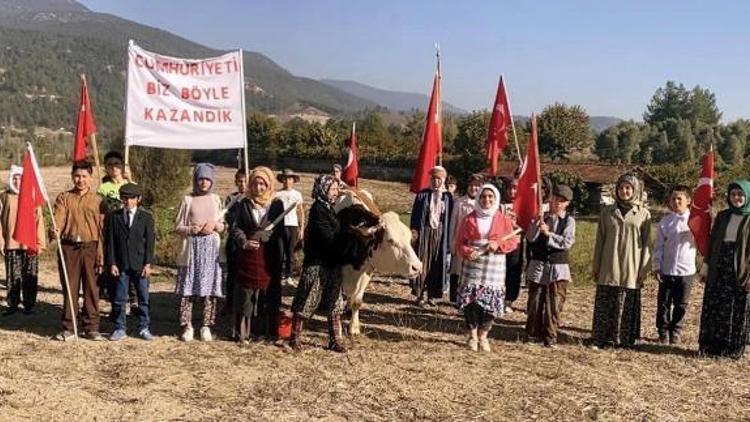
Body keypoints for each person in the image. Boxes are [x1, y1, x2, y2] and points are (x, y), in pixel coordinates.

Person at [455, 184, 519, 352]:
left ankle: (483, 335)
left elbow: (512, 242)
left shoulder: (503, 220)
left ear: (496, 198)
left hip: (494, 265)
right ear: (478, 198)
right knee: (472, 301)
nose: (487, 200)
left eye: (490, 196)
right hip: (473, 264)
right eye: (483, 197)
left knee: (490, 302)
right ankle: (473, 335)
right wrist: (468, 252)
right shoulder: (468, 219)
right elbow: (459, 242)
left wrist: (497, 244)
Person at [591, 173, 651, 349]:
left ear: (635, 190)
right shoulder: (607, 212)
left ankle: (624, 340)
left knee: (626, 302)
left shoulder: (643, 214)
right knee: (606, 301)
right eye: (621, 188)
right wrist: (596, 266)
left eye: (628, 188)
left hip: (631, 266)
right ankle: (602, 338)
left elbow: (647, 243)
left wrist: (644, 269)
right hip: (609, 264)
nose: (624, 191)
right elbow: (599, 240)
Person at [288, 174, 347, 353]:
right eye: (332, 189)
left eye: (337, 189)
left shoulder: (330, 209)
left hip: (333, 264)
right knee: (307, 301)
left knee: (334, 303)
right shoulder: (317, 210)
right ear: (323, 189)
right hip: (317, 264)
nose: (336, 192)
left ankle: (334, 339)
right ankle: (294, 338)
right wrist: (345, 244)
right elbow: (326, 237)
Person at [226, 167, 286, 343]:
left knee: (268, 293)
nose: (259, 187)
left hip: (268, 256)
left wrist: (269, 235)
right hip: (248, 255)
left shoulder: (276, 205)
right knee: (246, 292)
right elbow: (236, 227)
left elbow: (280, 231)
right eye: (255, 183)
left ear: (268, 185)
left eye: (262, 184)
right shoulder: (244, 203)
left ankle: (266, 332)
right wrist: (244, 241)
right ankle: (243, 333)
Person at [51, 160, 106, 341]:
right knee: (70, 287)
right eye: (77, 176)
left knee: (92, 288)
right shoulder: (63, 198)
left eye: (84, 176)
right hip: (69, 248)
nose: (80, 180)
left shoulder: (99, 201)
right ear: (72, 176)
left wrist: (101, 254)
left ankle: (91, 327)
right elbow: (59, 218)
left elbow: (102, 230)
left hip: (91, 247)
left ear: (90, 177)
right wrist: (56, 230)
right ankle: (69, 327)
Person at [698, 180, 750, 359]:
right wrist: (706, 266)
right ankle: (712, 346)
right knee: (716, 305)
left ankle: (732, 348)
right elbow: (713, 242)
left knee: (736, 307)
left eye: (741, 194)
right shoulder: (722, 216)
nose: (737, 198)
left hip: (740, 269)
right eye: (733, 194)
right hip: (719, 266)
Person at [175, 163, 225, 342]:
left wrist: (215, 226)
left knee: (208, 289)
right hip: (192, 250)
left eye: (207, 179)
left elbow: (222, 224)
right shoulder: (187, 199)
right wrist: (193, 229)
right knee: (188, 289)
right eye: (201, 179)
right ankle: (187, 326)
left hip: (211, 251)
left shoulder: (216, 199)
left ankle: (206, 325)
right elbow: (178, 226)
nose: (204, 182)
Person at [525, 185, 576, 348]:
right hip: (539, 264)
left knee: (554, 303)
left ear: (567, 203)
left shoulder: (569, 221)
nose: (558, 203)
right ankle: (532, 333)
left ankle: (550, 335)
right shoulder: (542, 216)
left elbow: (567, 242)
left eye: (562, 201)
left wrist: (549, 234)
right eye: (556, 199)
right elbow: (530, 238)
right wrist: (536, 223)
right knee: (535, 300)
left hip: (558, 266)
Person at [104, 183, 155, 341]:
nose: (127, 201)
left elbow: (150, 243)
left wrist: (148, 264)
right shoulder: (115, 217)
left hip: (140, 264)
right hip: (121, 264)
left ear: (138, 199)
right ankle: (120, 328)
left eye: (131, 198)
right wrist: (111, 262)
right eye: (124, 198)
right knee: (119, 297)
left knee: (143, 297)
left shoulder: (146, 217)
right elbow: (110, 241)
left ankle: (144, 326)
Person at [652, 185, 697, 345]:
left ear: (688, 201)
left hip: (686, 270)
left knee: (681, 304)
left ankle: (676, 330)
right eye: (673, 199)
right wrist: (657, 265)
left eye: (680, 199)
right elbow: (659, 246)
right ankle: (663, 331)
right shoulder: (666, 222)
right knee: (664, 303)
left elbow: (703, 240)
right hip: (667, 269)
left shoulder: (694, 221)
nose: (676, 202)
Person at [0, 165, 45, 315]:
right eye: (15, 178)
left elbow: (39, 220)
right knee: (13, 274)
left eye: (21, 178)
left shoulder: (32, 195)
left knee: (29, 274)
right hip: (11, 242)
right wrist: (1, 241)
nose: (18, 181)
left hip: (29, 243)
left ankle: (29, 304)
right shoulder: (4, 196)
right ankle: (12, 304)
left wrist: (40, 242)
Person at [97, 150, 136, 313]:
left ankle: (134, 301)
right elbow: (99, 210)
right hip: (112, 231)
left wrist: (130, 179)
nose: (114, 167)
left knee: (133, 265)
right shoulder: (103, 188)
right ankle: (116, 302)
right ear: (106, 167)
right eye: (110, 164)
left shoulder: (131, 185)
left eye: (117, 164)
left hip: (130, 231)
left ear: (122, 166)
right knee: (114, 267)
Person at [410, 166, 453, 306]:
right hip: (424, 232)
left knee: (437, 263)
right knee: (423, 262)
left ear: (443, 180)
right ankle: (420, 293)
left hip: (440, 234)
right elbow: (415, 215)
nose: (436, 182)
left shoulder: (447, 198)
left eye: (439, 179)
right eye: (434, 178)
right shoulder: (422, 195)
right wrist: (414, 233)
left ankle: (432, 295)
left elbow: (451, 218)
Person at [448, 174, 484, 304]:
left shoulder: (482, 204)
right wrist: (451, 243)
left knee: (471, 272)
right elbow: (453, 223)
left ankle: (469, 298)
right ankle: (454, 298)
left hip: (475, 244)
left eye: (477, 186)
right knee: (457, 270)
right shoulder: (460, 203)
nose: (474, 188)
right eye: (472, 185)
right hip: (460, 242)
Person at [275, 169, 305, 286]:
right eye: (285, 178)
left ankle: (289, 275)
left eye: (290, 178)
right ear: (282, 180)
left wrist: (301, 228)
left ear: (293, 180)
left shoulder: (297, 194)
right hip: (280, 226)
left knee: (290, 252)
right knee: (280, 251)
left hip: (292, 225)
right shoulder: (277, 194)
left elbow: (301, 212)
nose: (287, 181)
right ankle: (279, 275)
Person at [223, 168, 247, 315]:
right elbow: (227, 216)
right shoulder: (231, 198)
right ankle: (229, 303)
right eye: (239, 181)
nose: (242, 184)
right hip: (233, 241)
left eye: (245, 181)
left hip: (248, 240)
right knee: (232, 273)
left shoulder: (252, 198)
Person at [500, 174, 523, 314]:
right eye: (509, 189)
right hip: (501, 243)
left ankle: (509, 299)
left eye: (515, 189)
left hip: (516, 243)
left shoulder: (522, 204)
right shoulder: (499, 204)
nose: (512, 192)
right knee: (501, 271)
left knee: (514, 271)